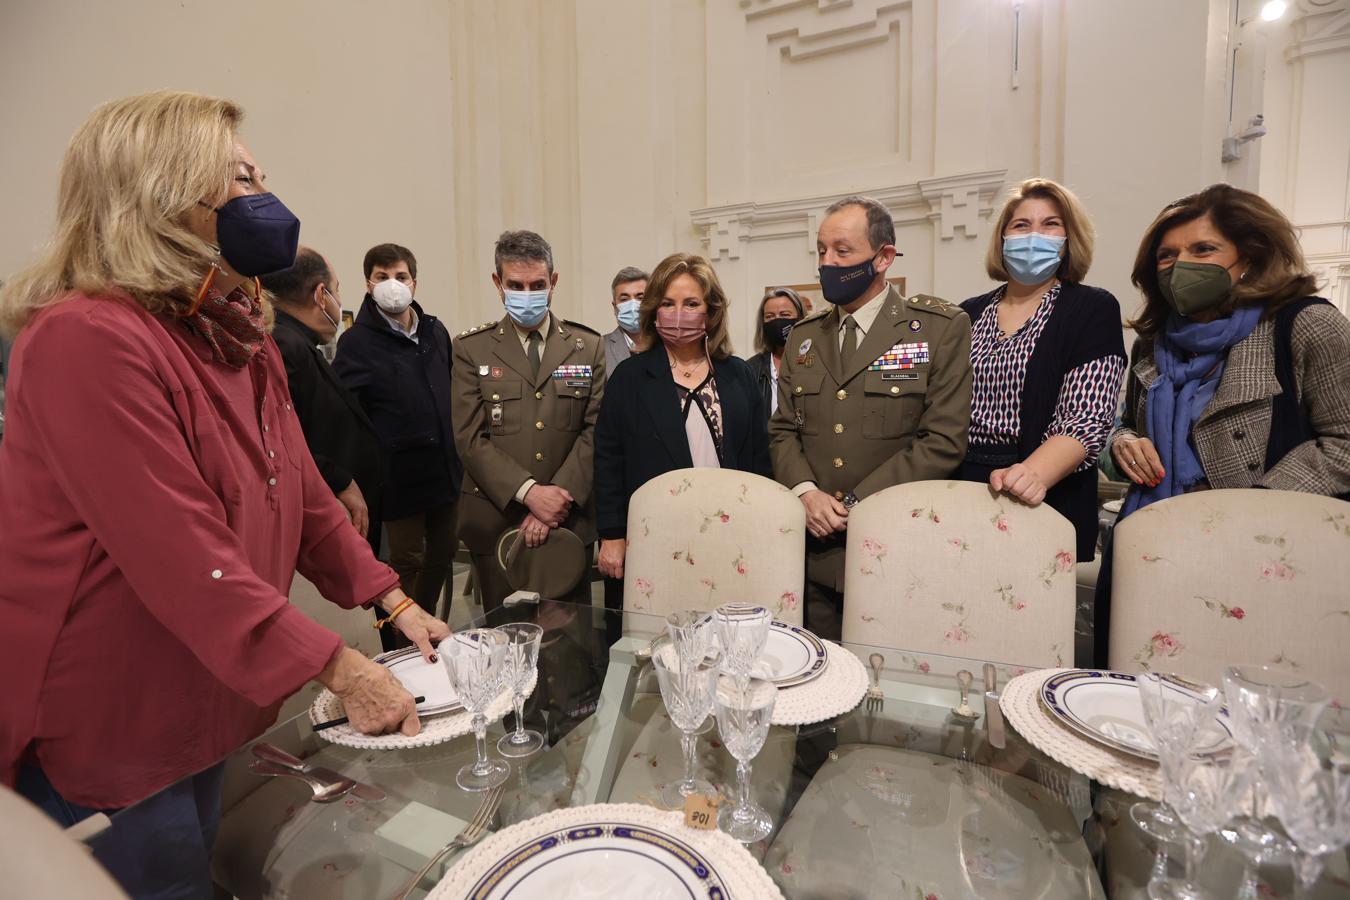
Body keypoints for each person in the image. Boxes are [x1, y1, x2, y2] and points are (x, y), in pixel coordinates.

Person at [0, 91, 445, 898]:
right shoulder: (85, 340)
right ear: (161, 197)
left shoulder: (236, 335)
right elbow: (181, 554)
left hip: (209, 689)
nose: (263, 199)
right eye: (239, 180)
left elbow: (301, 493)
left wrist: (390, 600)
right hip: (113, 718)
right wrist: (340, 667)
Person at [770, 195, 972, 639]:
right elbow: (783, 430)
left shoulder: (938, 328)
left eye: (842, 252)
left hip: (899, 546)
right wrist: (806, 493)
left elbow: (942, 440)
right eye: (822, 251)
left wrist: (858, 503)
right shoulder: (804, 337)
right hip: (815, 550)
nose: (828, 263)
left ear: (883, 258)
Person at [1110, 184, 1350, 511]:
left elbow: (1344, 445)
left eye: (1204, 249)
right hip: (1159, 528)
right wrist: (1123, 442)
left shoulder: (1307, 325)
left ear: (1250, 257)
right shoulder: (1152, 343)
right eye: (1167, 255)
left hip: (1267, 534)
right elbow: (1129, 426)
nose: (1181, 265)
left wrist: (1255, 503)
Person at [958, 179, 1126, 562]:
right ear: (1002, 238)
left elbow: (1087, 416)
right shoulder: (967, 312)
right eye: (1021, 225)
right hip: (962, 482)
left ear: (1069, 239)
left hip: (1044, 487)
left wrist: (1031, 475)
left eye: (1051, 224)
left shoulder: (1091, 308)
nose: (1034, 234)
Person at [594, 252, 772, 592]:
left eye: (691, 303)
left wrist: (760, 524)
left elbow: (757, 458)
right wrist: (612, 534)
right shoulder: (629, 377)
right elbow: (608, 460)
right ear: (654, 311)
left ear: (711, 310)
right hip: (654, 535)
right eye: (667, 303)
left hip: (729, 528)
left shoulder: (739, 374)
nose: (678, 315)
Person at [450, 230, 605, 611]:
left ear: (553, 282)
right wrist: (531, 494)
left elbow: (595, 431)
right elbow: (470, 437)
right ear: (497, 283)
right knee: (505, 644)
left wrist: (558, 498)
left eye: (537, 284)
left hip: (569, 522)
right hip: (497, 521)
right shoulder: (472, 348)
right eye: (515, 285)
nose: (527, 293)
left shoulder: (588, 347)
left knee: (570, 643)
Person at [333, 243, 463, 647]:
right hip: (396, 484)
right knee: (403, 565)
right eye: (382, 276)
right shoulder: (357, 343)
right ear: (368, 284)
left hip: (443, 475)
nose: (393, 285)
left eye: (401, 276)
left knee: (440, 561)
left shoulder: (435, 331)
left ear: (415, 281)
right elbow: (347, 414)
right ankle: (398, 646)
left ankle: (427, 635)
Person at [262, 247, 383, 560]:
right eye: (337, 290)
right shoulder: (286, 346)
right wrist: (339, 480)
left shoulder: (297, 342)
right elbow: (282, 437)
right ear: (321, 294)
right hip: (328, 512)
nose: (339, 301)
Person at [746, 287, 805, 420]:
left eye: (785, 315)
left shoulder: (818, 362)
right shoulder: (750, 369)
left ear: (800, 318)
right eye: (769, 316)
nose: (777, 321)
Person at [603, 265, 648, 373]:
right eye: (624, 299)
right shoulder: (599, 349)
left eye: (640, 298)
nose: (632, 305)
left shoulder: (667, 346)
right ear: (614, 307)